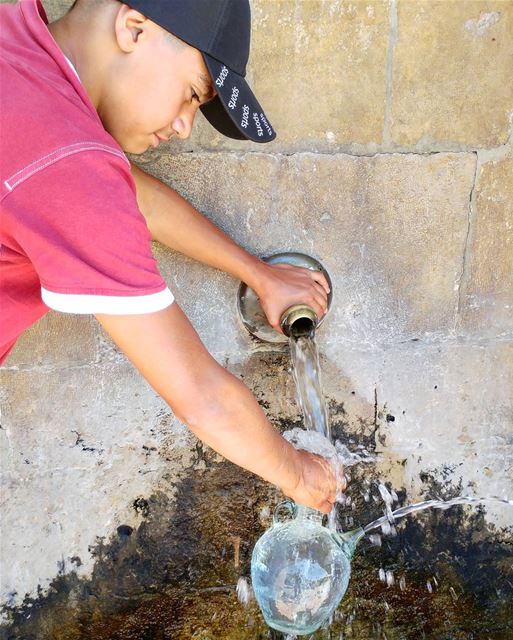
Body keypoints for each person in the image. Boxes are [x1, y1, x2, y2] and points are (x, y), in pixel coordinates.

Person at [0, 0, 345, 513]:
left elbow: (128, 194)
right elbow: (201, 395)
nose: (185, 125)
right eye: (191, 95)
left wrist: (257, 273)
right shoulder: (72, 173)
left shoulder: (17, 35)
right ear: (133, 28)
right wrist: (300, 475)